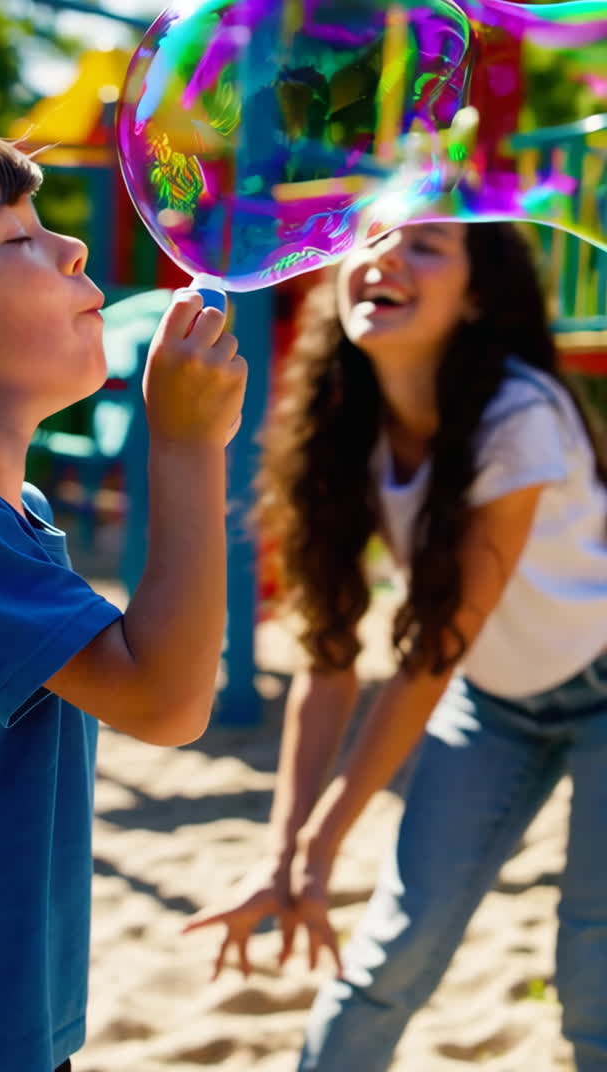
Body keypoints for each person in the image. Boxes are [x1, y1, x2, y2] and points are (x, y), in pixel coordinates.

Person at [186, 215, 607, 1071]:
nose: (384, 256)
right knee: (391, 952)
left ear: (477, 292)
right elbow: (329, 658)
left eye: (426, 245)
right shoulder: (342, 421)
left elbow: (433, 649)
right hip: (494, 704)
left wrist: (323, 844)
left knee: (592, 967)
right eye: (371, 239)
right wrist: (285, 854)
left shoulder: (520, 409)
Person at [0, 125, 247, 1072]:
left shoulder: (3, 510)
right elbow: (166, 700)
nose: (74, 247)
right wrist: (183, 447)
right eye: (19, 240)